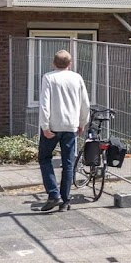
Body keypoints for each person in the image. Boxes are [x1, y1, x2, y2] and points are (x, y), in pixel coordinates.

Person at [38, 50, 90, 213]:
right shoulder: (77, 78)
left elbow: (44, 103)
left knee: (44, 158)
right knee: (68, 163)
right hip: (71, 126)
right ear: (70, 63)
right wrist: (82, 122)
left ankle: (54, 194)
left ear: (53, 63)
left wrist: (45, 126)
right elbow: (84, 103)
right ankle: (65, 201)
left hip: (53, 125)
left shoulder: (48, 77)